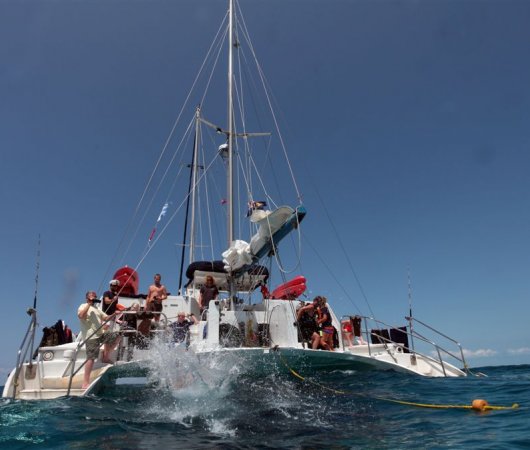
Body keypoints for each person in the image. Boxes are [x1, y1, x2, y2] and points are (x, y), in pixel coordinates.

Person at [77, 291, 121, 389]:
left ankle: (106, 356)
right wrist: (89, 304)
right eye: (92, 296)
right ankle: (85, 383)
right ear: (87, 298)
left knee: (117, 336)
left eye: (95, 296)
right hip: (91, 336)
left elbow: (106, 318)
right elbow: (81, 316)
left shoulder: (97, 308)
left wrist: (114, 314)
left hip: (100, 333)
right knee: (91, 358)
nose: (94, 297)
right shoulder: (83, 306)